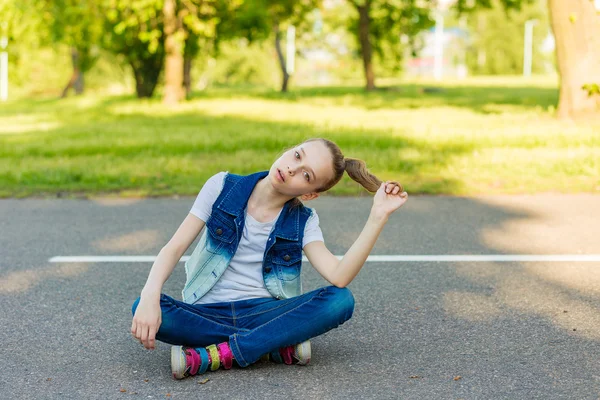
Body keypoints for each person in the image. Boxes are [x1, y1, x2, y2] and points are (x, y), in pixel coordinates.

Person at [130, 137, 408, 380]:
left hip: (264, 313)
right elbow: (174, 247)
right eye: (297, 155)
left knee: (341, 300)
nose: (291, 168)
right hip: (206, 311)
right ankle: (272, 345)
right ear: (290, 149)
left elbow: (339, 276)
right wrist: (150, 295)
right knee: (142, 307)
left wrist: (377, 217)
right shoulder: (222, 187)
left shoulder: (304, 220)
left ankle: (218, 354)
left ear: (309, 194)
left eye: (306, 175)